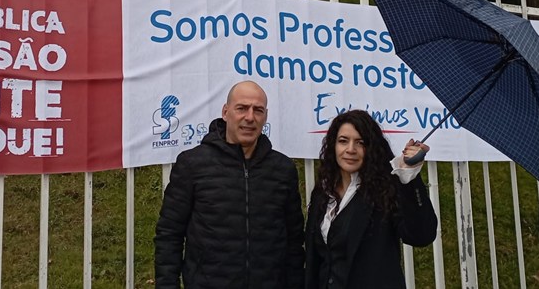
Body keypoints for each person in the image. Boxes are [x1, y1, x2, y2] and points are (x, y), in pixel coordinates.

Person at [155, 80, 304, 288]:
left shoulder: (283, 169)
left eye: (258, 110)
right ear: (225, 112)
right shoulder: (192, 164)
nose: (250, 117)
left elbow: (294, 242)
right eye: (241, 108)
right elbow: (169, 234)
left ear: (265, 116)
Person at [304, 109, 438, 289]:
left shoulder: (385, 190)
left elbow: (421, 235)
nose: (350, 149)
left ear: (371, 148)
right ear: (333, 145)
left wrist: (409, 177)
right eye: (343, 141)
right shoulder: (322, 192)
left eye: (360, 143)